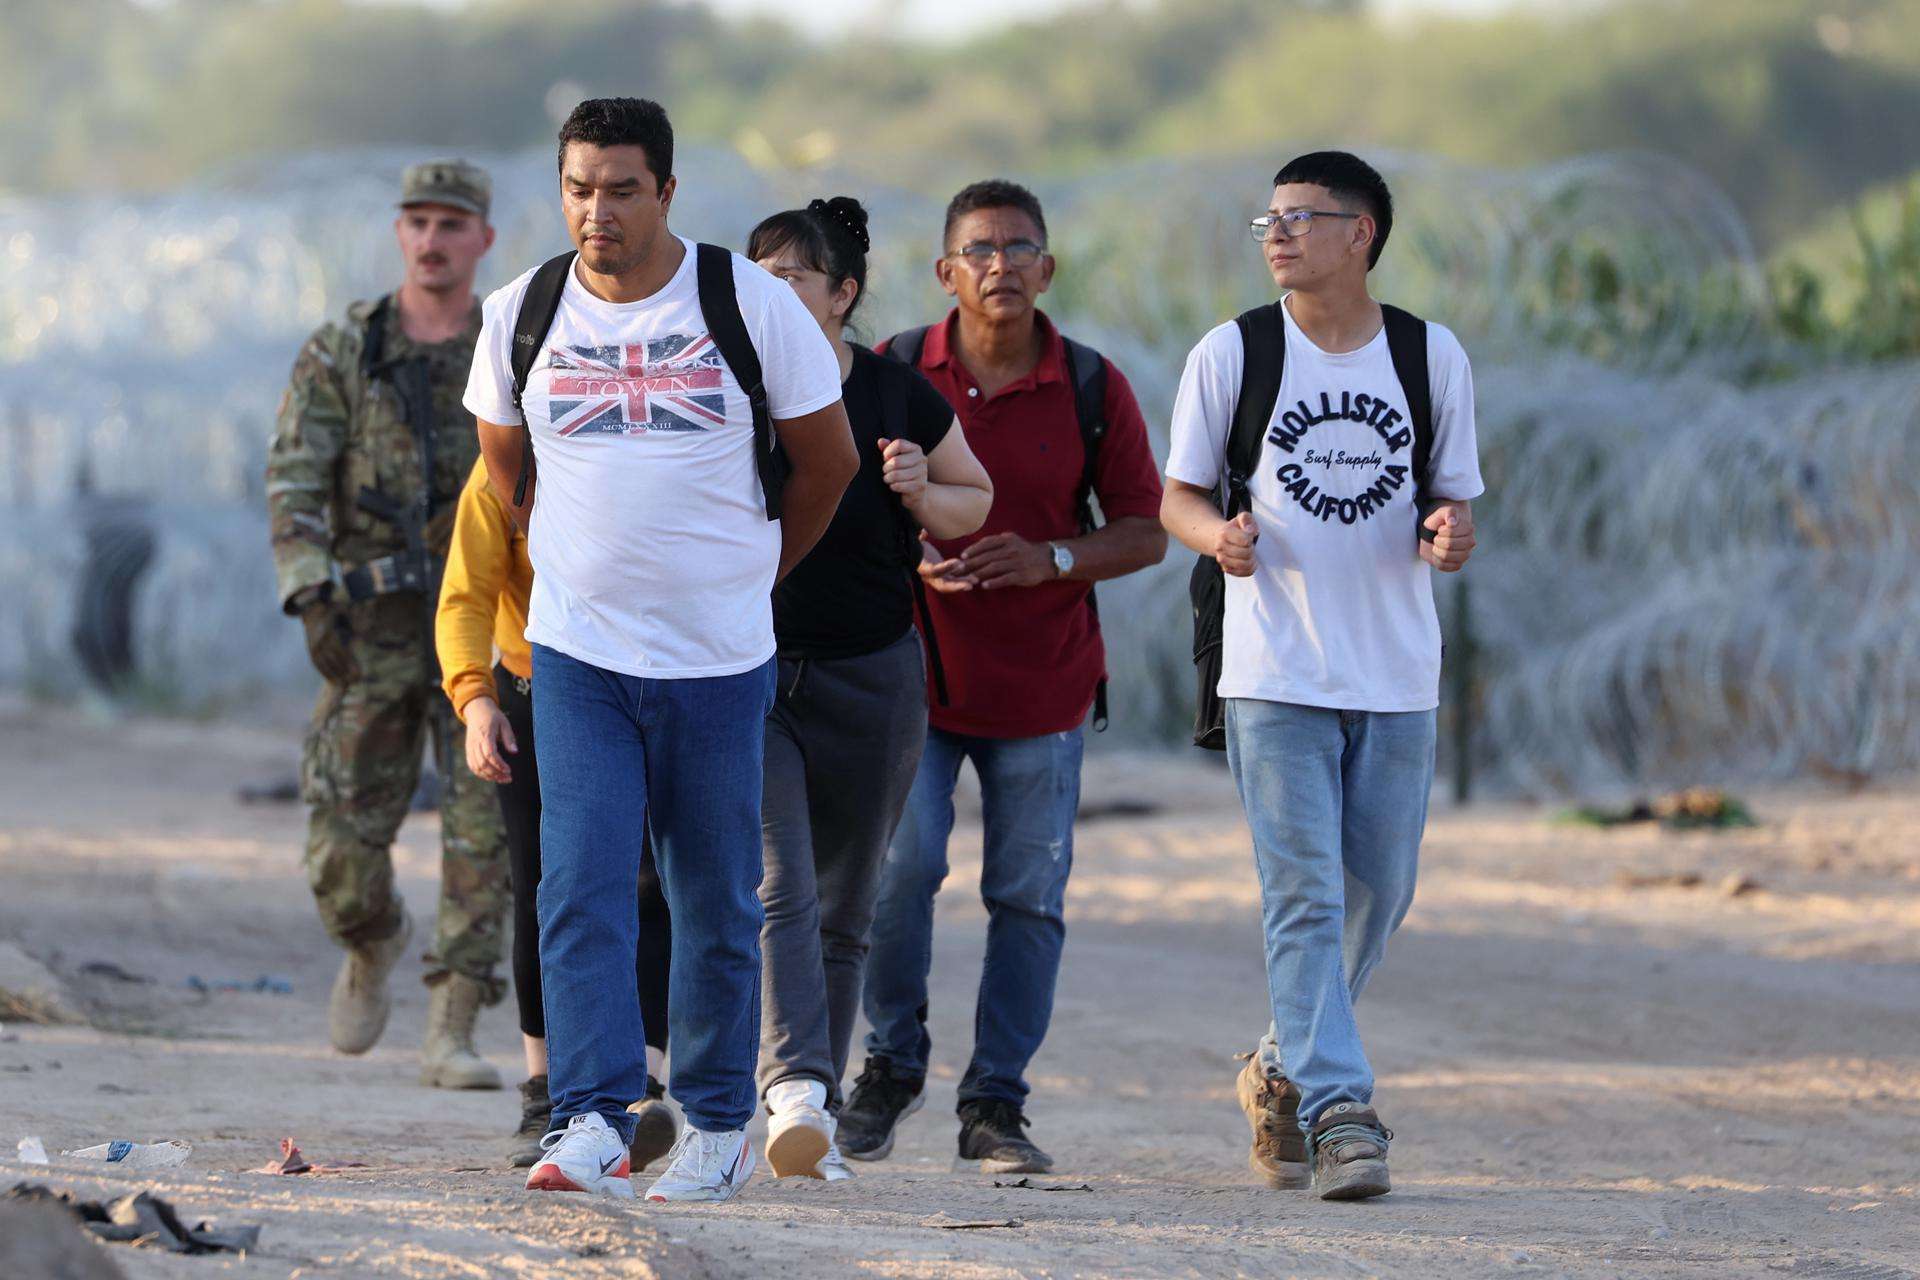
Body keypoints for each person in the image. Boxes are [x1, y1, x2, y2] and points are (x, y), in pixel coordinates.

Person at [465, 97, 857, 1203]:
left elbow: (826, 465)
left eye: (623, 188)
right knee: (577, 883)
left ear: (667, 192)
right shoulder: (522, 312)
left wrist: (754, 574)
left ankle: (722, 1120)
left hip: (716, 657)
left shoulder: (749, 304)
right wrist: (575, 566)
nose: (600, 211)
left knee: (714, 891)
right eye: (580, 188)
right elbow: (506, 464)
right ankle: (591, 1112)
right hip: (577, 655)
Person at [1160, 151, 1483, 1200]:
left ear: (1364, 234)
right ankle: (1343, 1109)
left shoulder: (1432, 358)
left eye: (1304, 217)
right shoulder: (1234, 352)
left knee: (1377, 890)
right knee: (1301, 892)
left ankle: (1276, 1062)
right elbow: (1177, 497)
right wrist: (1221, 537)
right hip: (1274, 668)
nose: (1279, 234)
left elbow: (1452, 506)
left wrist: (1449, 535)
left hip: (1395, 670)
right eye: (1271, 218)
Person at [841, 179, 1167, 1174]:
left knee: (1028, 895)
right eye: (979, 250)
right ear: (946, 272)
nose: (1001, 265)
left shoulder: (1092, 385)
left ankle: (995, 1105)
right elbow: (842, 502)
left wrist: (1051, 557)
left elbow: (1147, 530)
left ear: (1047, 267)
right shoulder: (894, 369)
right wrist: (915, 554)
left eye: (1020, 248)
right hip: (917, 681)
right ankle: (890, 1066)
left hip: (1043, 690)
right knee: (903, 870)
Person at [745, 198, 994, 1181]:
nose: (771, 291)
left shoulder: (897, 394)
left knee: (850, 903)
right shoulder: (727, 383)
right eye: (758, 273)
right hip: (753, 668)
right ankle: (793, 1085)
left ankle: (813, 1102)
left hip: (874, 672)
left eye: (793, 276)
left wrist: (919, 491)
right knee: (779, 885)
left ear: (843, 294)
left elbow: (974, 498)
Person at [266, 159, 511, 1089]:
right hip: (368, 626)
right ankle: (371, 940)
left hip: (483, 622)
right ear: (399, 234)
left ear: (483, 238)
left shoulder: (510, 342)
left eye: (453, 224)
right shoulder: (345, 348)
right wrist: (308, 589)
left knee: (483, 823)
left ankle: (453, 1021)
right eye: (418, 222)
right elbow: (294, 471)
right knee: (340, 837)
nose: (433, 240)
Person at [434, 457, 680, 1172]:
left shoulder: (647, 433)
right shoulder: (498, 470)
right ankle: (543, 1091)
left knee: (649, 880)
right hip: (534, 691)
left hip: (648, 681)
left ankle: (639, 1086)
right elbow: (466, 597)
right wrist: (476, 700)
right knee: (544, 888)